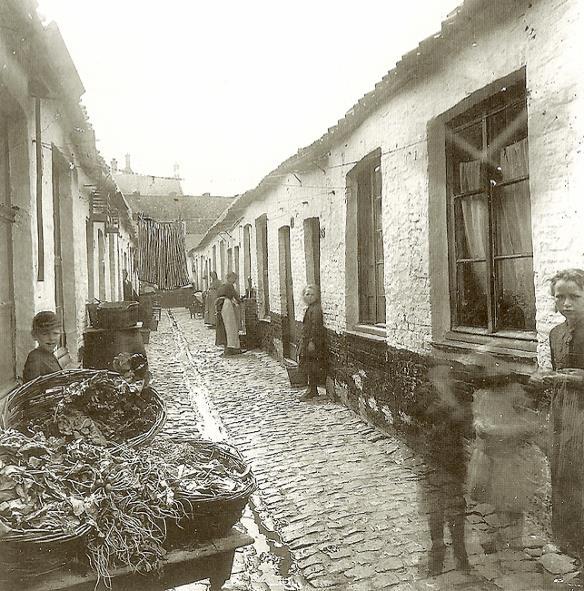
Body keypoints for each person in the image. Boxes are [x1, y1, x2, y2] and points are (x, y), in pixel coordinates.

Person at [468, 355, 543, 552]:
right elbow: (477, 415)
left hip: (509, 458)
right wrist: (479, 425)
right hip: (486, 456)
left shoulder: (516, 394)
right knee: (487, 498)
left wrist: (499, 431)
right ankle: (494, 534)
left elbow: (530, 425)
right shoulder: (481, 394)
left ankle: (514, 539)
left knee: (511, 501)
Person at [414, 362, 473, 575]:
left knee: (455, 505)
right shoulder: (426, 393)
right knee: (435, 505)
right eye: (437, 374)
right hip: (432, 458)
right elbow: (420, 414)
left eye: (445, 374)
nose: (442, 377)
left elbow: (466, 420)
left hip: (453, 459)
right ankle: (437, 549)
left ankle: (460, 553)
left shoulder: (457, 392)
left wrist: (450, 403)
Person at [545, 268, 584, 554]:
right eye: (560, 297)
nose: (566, 303)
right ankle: (571, 543)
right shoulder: (555, 333)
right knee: (562, 472)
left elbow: (567, 375)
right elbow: (558, 371)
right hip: (562, 412)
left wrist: (570, 378)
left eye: (574, 296)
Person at [298, 284, 327, 401]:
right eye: (307, 294)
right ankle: (311, 388)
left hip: (313, 342)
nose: (309, 296)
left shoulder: (315, 310)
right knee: (308, 364)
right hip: (307, 341)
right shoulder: (310, 308)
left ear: (317, 296)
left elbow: (316, 327)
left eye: (312, 294)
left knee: (312, 365)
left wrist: (312, 342)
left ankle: (312, 389)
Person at [23, 311, 63, 383]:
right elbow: (31, 390)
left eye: (55, 333)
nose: (51, 338)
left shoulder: (48, 354)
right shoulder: (35, 358)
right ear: (34, 335)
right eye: (45, 334)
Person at [216, 272, 242, 356]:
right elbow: (235, 296)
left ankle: (228, 347)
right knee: (230, 326)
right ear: (229, 278)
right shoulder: (229, 286)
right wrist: (239, 301)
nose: (235, 280)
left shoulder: (222, 286)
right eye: (234, 278)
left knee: (225, 326)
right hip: (227, 306)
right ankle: (232, 347)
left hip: (221, 305)